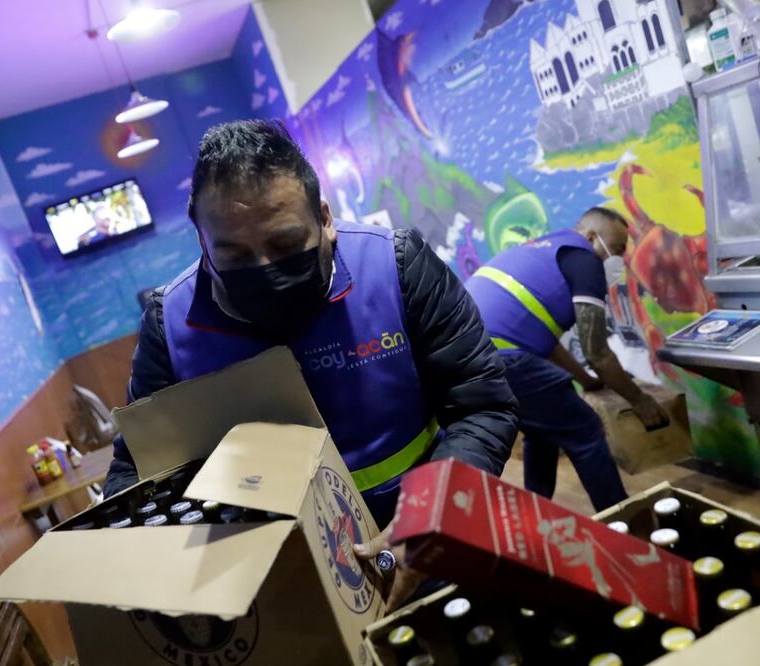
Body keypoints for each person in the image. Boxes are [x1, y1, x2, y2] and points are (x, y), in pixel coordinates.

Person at [103, 119, 517, 608]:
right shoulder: (169, 325)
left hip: (431, 547)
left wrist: (431, 514)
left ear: (324, 218)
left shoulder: (397, 267)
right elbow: (138, 472)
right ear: (202, 244)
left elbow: (482, 405)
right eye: (234, 254)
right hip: (283, 590)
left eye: (284, 245)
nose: (264, 269)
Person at [465, 207, 669, 511]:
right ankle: (622, 519)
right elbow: (597, 352)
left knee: (542, 430)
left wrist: (586, 381)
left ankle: (535, 511)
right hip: (503, 359)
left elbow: (547, 346)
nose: (616, 260)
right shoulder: (584, 259)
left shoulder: (542, 250)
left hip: (469, 357)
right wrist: (640, 401)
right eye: (614, 249)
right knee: (584, 429)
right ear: (589, 236)